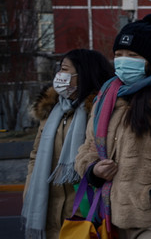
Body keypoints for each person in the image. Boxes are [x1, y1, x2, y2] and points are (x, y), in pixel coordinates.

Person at [74, 14, 151, 238]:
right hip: (113, 215)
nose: (122, 60)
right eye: (119, 54)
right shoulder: (105, 98)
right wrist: (92, 169)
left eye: (132, 55)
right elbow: (89, 146)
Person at [22, 49, 113, 238]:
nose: (59, 76)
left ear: (84, 74)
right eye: (60, 70)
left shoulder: (100, 112)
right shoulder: (52, 111)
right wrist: (29, 191)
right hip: (47, 213)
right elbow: (35, 156)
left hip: (85, 215)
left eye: (64, 70)